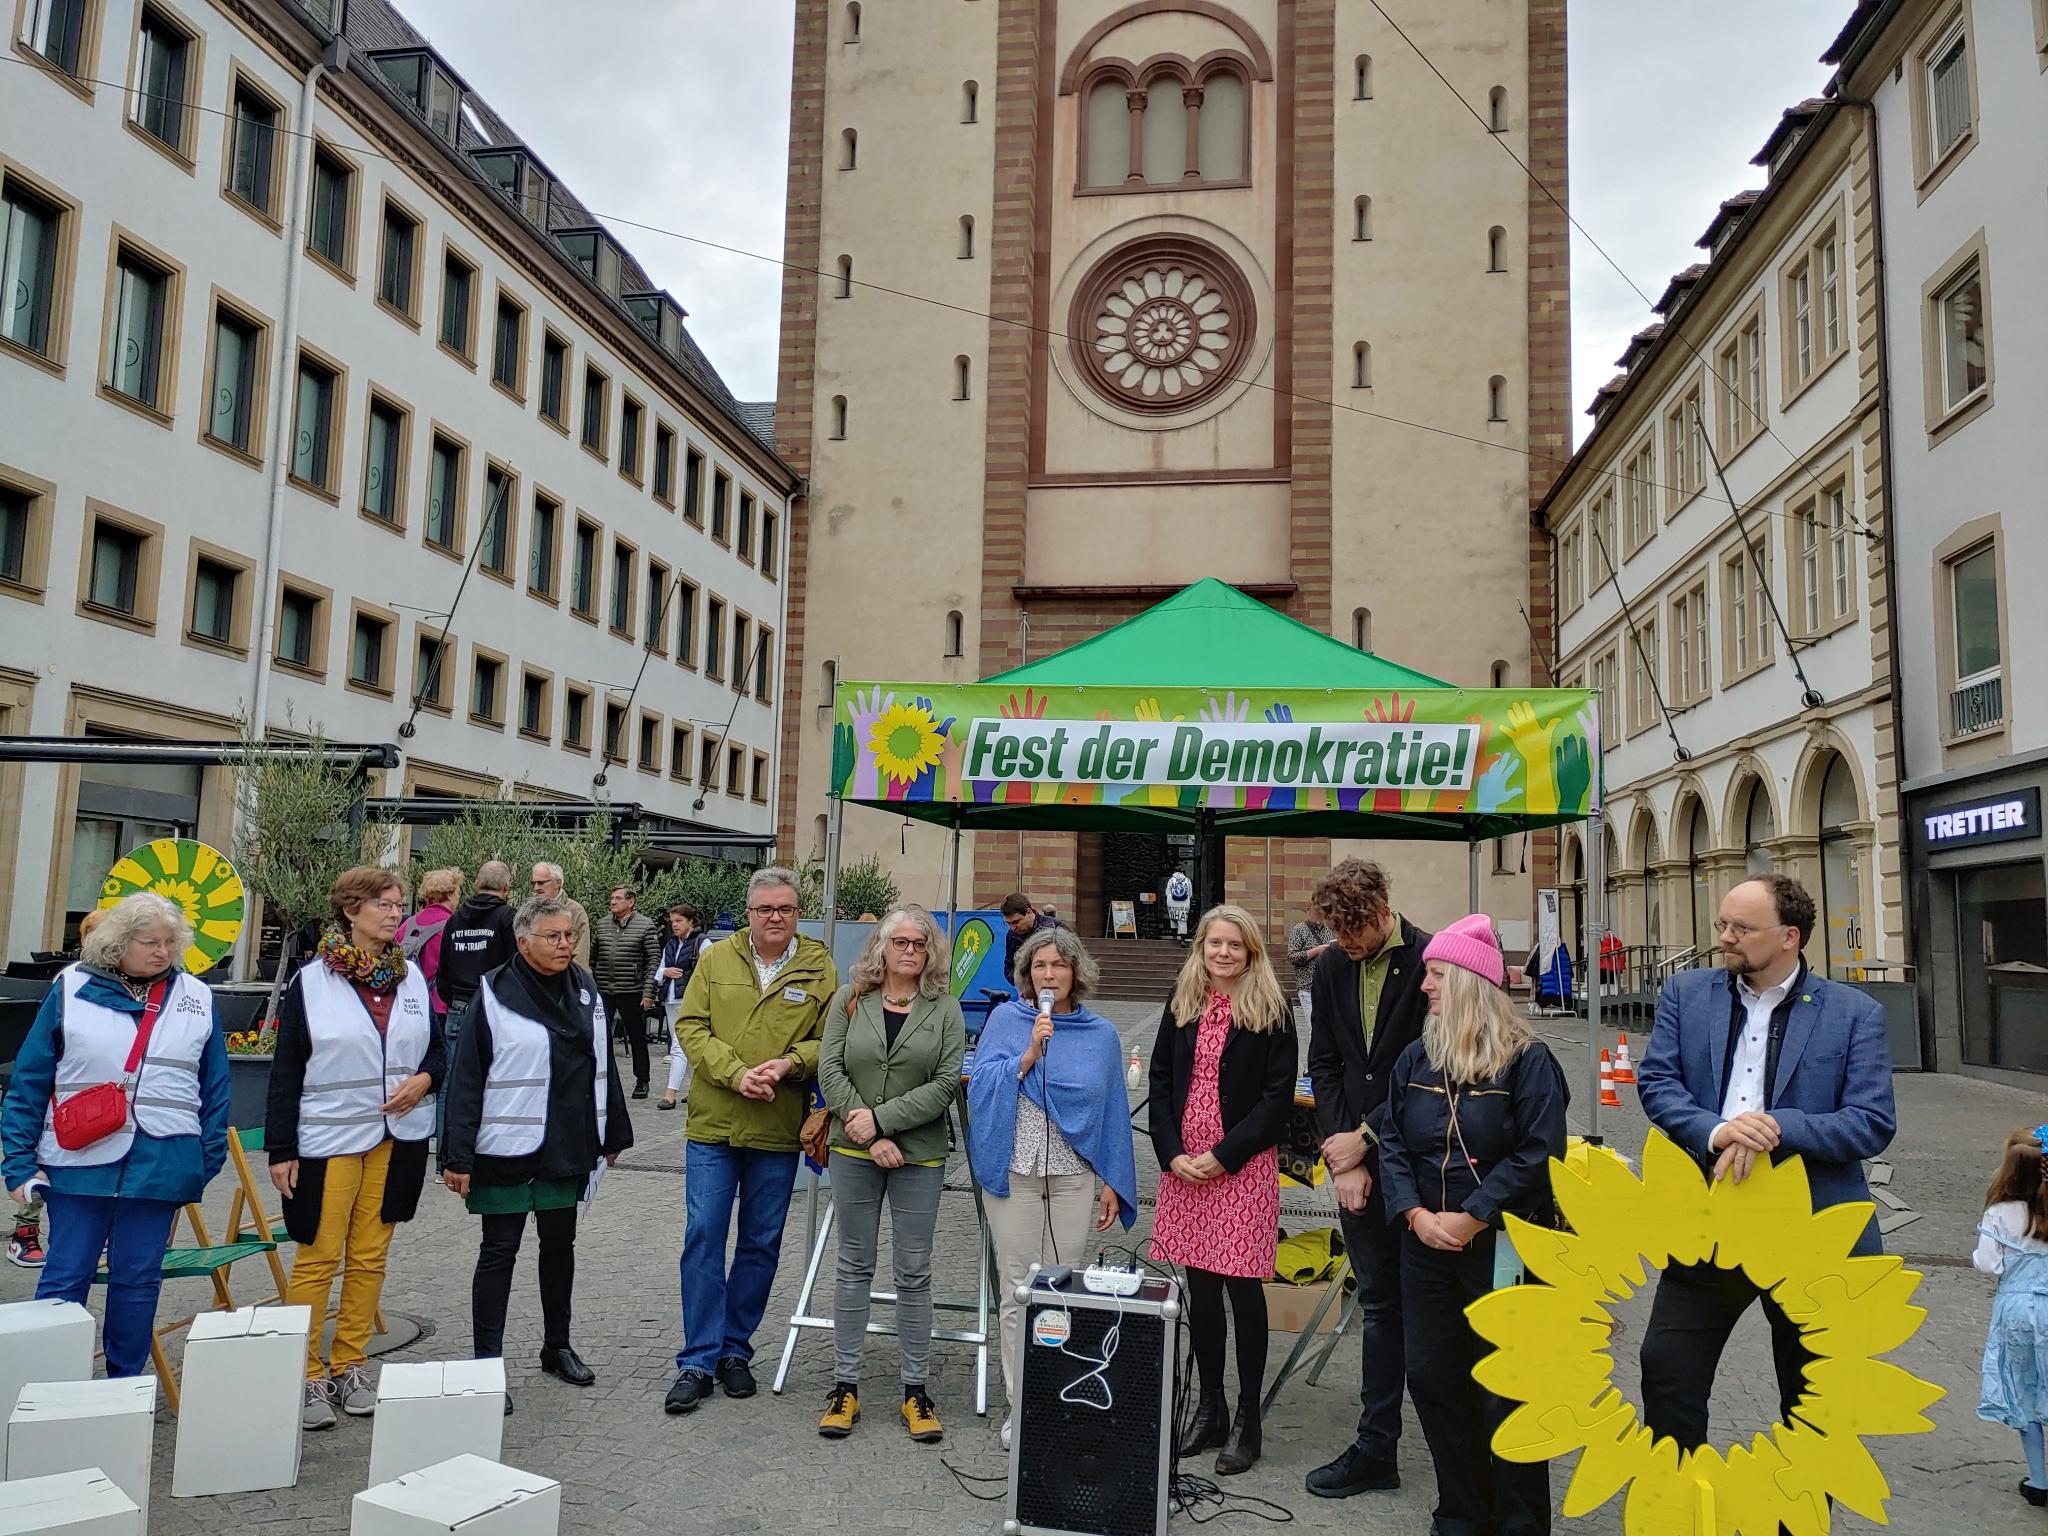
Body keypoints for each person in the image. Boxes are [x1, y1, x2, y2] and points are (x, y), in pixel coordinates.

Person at [1635, 872, 1896, 1457]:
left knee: (1812, 1398)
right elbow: (1657, 1082)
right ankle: (1682, 1506)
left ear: (1789, 937)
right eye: (1722, 924)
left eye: (1741, 928)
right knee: (1667, 1368)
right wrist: (1718, 1129)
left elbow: (1872, 1121)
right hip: (1709, 1221)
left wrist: (1777, 1127)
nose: (1725, 937)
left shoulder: (1855, 1014)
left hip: (1812, 1231)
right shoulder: (1687, 993)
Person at [1379, 915, 1567, 1536]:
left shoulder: (1528, 1062)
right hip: (1423, 1244)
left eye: (1435, 974)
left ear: (1466, 981)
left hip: (1503, 1249)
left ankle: (1519, 1520)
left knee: (1505, 1387)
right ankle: (1460, 1511)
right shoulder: (1414, 1058)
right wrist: (1413, 1213)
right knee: (1433, 1379)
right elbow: (1392, 1145)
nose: (1424, 986)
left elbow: (1541, 1154)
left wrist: (1472, 1217)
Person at [1, 892, 230, 1378]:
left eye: (171, 942)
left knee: (138, 1281)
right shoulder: (71, 987)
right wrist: (18, 1163)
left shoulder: (197, 996)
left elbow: (215, 1088)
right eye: (150, 942)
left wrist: (202, 1161)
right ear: (117, 944)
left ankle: (124, 1388)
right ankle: (47, 1385)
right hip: (78, 1164)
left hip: (162, 1163)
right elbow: (31, 1078)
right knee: (65, 1278)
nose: (163, 952)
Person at [441, 895, 633, 1415]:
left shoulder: (586, 988)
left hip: (567, 1143)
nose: (564, 944)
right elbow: (465, 1078)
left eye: (569, 935)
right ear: (523, 941)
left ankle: (557, 1345)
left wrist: (612, 1133)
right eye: (553, 937)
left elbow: (603, 1065)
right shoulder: (493, 991)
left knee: (559, 1246)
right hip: (505, 1151)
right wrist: (455, 1156)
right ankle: (486, 1365)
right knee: (498, 1254)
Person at [267, 867, 442, 1430]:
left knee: (370, 1257)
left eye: (399, 905)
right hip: (327, 1140)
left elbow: (436, 1052)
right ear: (351, 911)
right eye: (385, 905)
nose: (396, 913)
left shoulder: (411, 978)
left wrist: (425, 1080)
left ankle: (350, 1362)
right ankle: (303, 1373)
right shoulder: (311, 981)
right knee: (318, 1257)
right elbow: (286, 1067)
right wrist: (280, 1148)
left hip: (398, 1139)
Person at [666, 868, 837, 1415]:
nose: (774, 918)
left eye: (785, 909)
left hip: (777, 1128)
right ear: (748, 912)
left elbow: (829, 1040)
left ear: (797, 912)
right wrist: (736, 1073)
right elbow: (690, 1027)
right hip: (715, 1123)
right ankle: (697, 1360)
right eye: (764, 909)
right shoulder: (715, 959)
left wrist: (791, 1063)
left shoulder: (818, 965)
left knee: (761, 1243)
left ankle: (735, 1351)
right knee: (704, 1238)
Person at [967, 926, 1138, 1440]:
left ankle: (1057, 1394)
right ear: (1026, 974)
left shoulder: (1101, 1035)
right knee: (1019, 1287)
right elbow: (980, 1084)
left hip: (1072, 1178)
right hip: (1015, 1172)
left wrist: (1113, 1179)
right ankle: (1023, 1408)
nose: (1049, 974)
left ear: (1075, 973)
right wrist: (1027, 1057)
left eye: (1059, 966)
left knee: (1061, 1288)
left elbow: (1113, 1112)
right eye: (1040, 966)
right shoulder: (1005, 1020)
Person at [1148, 904, 1296, 1476]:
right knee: (1200, 1291)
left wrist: (1223, 1155)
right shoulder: (1182, 1001)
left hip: (1240, 1168)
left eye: (1235, 944)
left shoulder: (1271, 1009)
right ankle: (1210, 1406)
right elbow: (1161, 1078)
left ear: (1251, 951)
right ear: (1201, 947)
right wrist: (1171, 1153)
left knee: (1242, 1291)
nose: (1224, 953)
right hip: (1185, 1169)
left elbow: (1277, 1099)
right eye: (1215, 943)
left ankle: (1247, 1420)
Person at [1302, 857, 1434, 1499]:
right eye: (1341, 933)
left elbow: (1436, 1070)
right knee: (1380, 1307)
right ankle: (1377, 1447)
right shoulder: (1329, 967)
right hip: (1353, 1160)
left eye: (1357, 933)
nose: (1349, 945)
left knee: (1429, 1313)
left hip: (1423, 1167)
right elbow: (1324, 1064)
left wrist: (1368, 1139)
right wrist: (1341, 1153)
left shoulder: (1435, 960)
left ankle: (1454, 1451)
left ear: (1384, 909)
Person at [814, 906, 967, 1443]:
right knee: (853, 1265)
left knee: (914, 1271)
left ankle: (915, 1390)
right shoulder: (849, 999)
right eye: (899, 941)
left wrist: (882, 1120)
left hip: (919, 1156)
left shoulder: (945, 1009)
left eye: (918, 944)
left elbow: (947, 1082)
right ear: (881, 945)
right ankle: (845, 1386)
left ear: (930, 952)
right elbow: (828, 1067)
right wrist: (869, 1135)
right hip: (855, 1152)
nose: (908, 950)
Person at [1975, 1127, 2048, 1510]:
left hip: (2018, 1310)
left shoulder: (2000, 1213)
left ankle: (2039, 1479)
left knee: (2024, 1389)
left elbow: (1988, 1264)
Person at [590, 886, 662, 1100]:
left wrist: (649, 992)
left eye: (618, 898)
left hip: (632, 990)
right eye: (611, 898)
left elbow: (653, 961)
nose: (612, 902)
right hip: (604, 990)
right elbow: (592, 958)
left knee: (638, 1038)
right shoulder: (602, 925)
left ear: (631, 902)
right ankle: (600, 1078)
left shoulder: (645, 925)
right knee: (600, 1037)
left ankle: (642, 1081)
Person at [439, 861, 519, 1027]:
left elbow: (443, 969)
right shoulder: (508, 918)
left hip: (458, 1007)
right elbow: (516, 964)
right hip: (495, 1005)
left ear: (477, 884)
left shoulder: (455, 919)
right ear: (506, 887)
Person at [653, 904, 706, 1111]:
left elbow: (710, 972)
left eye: (679, 921)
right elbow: (659, 972)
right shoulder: (671, 944)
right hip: (671, 999)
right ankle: (695, 1090)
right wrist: (665, 972)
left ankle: (670, 1093)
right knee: (686, 1045)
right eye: (672, 921)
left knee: (679, 1045)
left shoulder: (703, 943)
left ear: (691, 922)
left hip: (691, 1000)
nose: (674, 925)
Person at [399, 867, 463, 1020]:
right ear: (450, 894)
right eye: (458, 892)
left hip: (407, 1002)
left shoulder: (407, 924)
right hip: (439, 1005)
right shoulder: (455, 925)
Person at [529, 862, 590, 971]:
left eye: (541, 883)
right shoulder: (530, 911)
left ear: (558, 883)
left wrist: (573, 981)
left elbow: (580, 955)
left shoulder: (575, 910)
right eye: (533, 883)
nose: (536, 888)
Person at [999, 893, 1060, 985]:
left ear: (1029, 912)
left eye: (1016, 922)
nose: (1013, 928)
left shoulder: (1057, 928)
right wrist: (1021, 983)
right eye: (1008, 923)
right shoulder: (1011, 935)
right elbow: (1009, 966)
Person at [1164, 868, 1194, 943]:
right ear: (1183, 872)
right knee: (1182, 920)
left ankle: (1174, 936)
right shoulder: (1187, 880)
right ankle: (1182, 940)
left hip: (1172, 901)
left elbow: (1167, 893)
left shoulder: (1171, 880)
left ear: (1174, 872)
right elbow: (1190, 894)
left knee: (1173, 918)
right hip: (1184, 902)